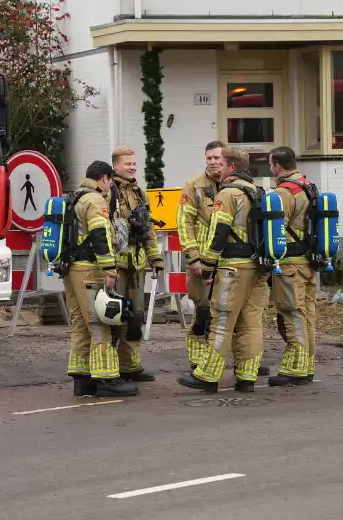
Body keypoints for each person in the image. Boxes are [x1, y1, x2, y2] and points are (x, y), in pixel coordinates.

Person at [178, 147, 269, 393]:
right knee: (251, 324)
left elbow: (219, 233)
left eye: (221, 160)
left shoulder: (228, 193)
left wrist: (206, 264)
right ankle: (247, 377)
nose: (215, 164)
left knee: (221, 322)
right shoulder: (256, 191)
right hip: (257, 268)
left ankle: (208, 375)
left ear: (230, 166)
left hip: (233, 268)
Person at [63, 160, 138, 398]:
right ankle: (106, 379)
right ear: (104, 179)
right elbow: (99, 235)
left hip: (71, 269)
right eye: (110, 182)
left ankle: (82, 379)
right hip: (90, 270)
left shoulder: (73, 197)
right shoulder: (95, 200)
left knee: (80, 323)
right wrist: (110, 268)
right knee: (99, 323)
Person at [109, 146, 164, 382]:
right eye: (127, 163)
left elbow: (148, 230)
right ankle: (111, 368)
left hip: (138, 262)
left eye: (133, 163)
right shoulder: (108, 192)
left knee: (135, 317)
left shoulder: (141, 193)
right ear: (115, 166)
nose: (132, 167)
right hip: (117, 265)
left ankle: (131, 366)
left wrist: (156, 258)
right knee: (115, 317)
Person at [266, 146, 318, 386]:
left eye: (270, 165)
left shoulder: (284, 192)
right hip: (308, 261)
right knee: (307, 314)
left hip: (289, 264)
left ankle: (295, 369)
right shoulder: (309, 186)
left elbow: (276, 229)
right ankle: (307, 365)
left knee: (292, 313)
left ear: (277, 166)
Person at [177, 141, 226, 368]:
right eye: (209, 158)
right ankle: (198, 360)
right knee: (203, 311)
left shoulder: (232, 184)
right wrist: (193, 257)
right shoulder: (194, 186)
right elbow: (184, 223)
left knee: (226, 311)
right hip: (202, 262)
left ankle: (223, 357)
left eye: (217, 158)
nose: (213, 162)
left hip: (227, 260)